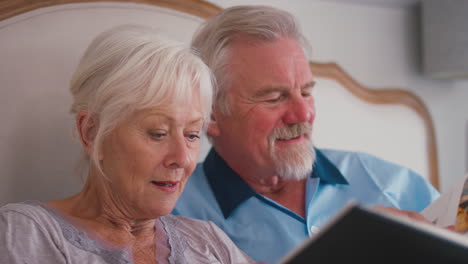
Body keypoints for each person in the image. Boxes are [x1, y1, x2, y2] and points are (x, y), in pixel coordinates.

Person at [173, 5, 440, 264]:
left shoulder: (390, 184)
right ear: (212, 114)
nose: (302, 115)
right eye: (275, 98)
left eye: (306, 93)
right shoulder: (171, 216)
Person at [0, 25, 254, 264]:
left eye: (192, 134)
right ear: (91, 132)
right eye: (158, 133)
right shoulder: (26, 232)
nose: (183, 158)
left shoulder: (208, 240)